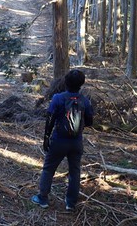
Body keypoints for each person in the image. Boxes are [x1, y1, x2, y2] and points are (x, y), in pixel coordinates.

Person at [31, 69, 94, 213]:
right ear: (81, 84)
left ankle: (42, 198)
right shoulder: (85, 100)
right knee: (74, 172)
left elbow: (50, 119)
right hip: (76, 142)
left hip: (59, 140)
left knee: (48, 168)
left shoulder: (58, 98)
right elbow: (90, 122)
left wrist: (46, 137)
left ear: (65, 82)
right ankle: (71, 203)